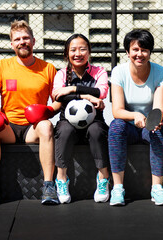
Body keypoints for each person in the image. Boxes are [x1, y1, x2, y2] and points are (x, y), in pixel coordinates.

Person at [0, 20, 60, 205]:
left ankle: (49, 185)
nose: (22, 42)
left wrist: (47, 110)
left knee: (47, 127)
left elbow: (58, 101)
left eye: (26, 38)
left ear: (33, 41)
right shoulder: (3, 66)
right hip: (8, 125)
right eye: (17, 39)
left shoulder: (48, 68)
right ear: (11, 44)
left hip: (33, 127)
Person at [108, 29, 163, 206]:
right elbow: (117, 110)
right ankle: (118, 188)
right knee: (115, 127)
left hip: (148, 126)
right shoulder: (119, 72)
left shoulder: (160, 72)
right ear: (127, 52)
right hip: (128, 125)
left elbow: (160, 109)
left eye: (144, 50)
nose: (140, 54)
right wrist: (135, 115)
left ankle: (157, 188)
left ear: (150, 52)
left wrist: (154, 121)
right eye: (135, 49)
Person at [52, 34, 110, 204]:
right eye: (73, 50)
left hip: (94, 120)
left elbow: (101, 93)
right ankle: (61, 179)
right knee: (64, 131)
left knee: (97, 131)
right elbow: (58, 97)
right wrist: (87, 96)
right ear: (66, 54)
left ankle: (103, 177)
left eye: (82, 49)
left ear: (89, 52)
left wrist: (72, 89)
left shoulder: (99, 71)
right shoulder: (61, 74)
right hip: (67, 121)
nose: (78, 53)